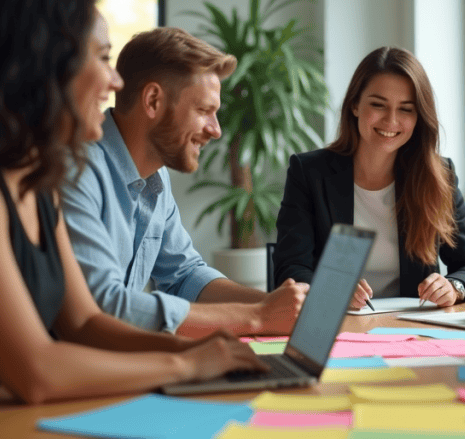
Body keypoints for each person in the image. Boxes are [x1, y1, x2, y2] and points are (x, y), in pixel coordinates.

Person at [0, 0, 266, 439]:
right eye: (104, 58)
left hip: (16, 424)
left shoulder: (37, 180)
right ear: (48, 66)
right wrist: (188, 364)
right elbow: (35, 370)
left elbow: (85, 322)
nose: (114, 81)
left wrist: (210, 352)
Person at [61, 27, 308, 338]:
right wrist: (257, 316)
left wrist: (277, 307)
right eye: (204, 110)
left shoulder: (155, 176)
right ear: (153, 101)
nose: (216, 130)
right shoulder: (77, 171)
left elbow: (185, 275)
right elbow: (104, 305)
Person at [273, 46, 465, 308]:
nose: (391, 120)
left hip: (411, 329)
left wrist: (454, 286)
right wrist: (331, 289)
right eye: (378, 105)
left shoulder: (439, 176)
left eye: (406, 109)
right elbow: (291, 268)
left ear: (419, 116)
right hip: (333, 326)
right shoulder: (309, 173)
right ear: (354, 105)